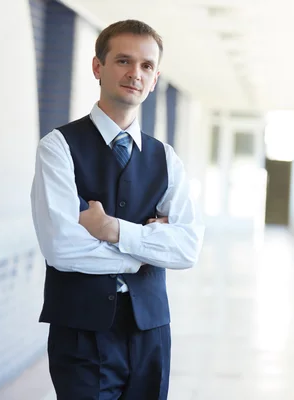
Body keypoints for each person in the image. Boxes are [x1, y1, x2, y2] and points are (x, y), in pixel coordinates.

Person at [30, 19, 205, 399]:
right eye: (123, 61)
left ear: (155, 78)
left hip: (151, 331)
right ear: (98, 67)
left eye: (146, 66)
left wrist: (113, 230)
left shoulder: (166, 158)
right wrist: (147, 249)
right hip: (81, 332)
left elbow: (187, 247)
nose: (135, 74)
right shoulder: (59, 147)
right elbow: (62, 247)